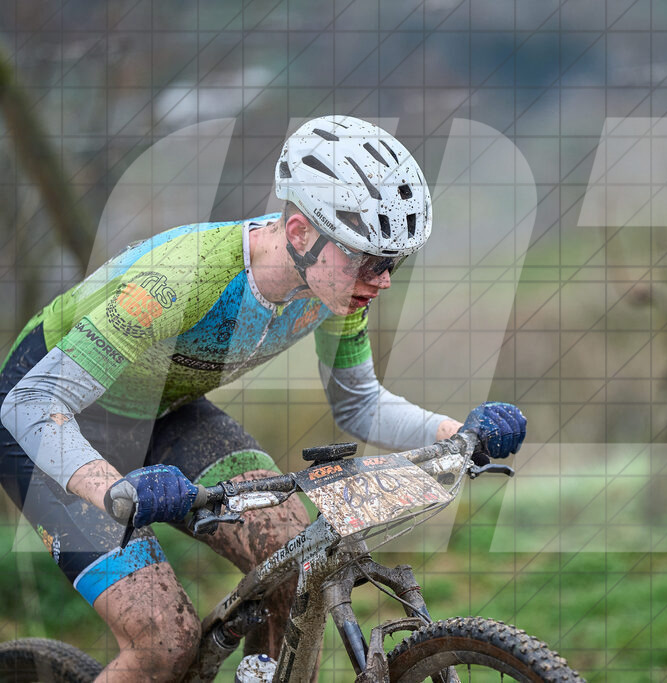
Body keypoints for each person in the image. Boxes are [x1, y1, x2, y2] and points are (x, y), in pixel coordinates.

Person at [0, 115, 526, 681]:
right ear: (299, 233)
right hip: (48, 417)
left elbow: (360, 404)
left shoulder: (331, 289)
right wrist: (114, 489)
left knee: (299, 561)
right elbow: (30, 405)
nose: (383, 280)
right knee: (165, 643)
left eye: (392, 262)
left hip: (162, 412)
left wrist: (458, 434)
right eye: (368, 260)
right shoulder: (183, 276)